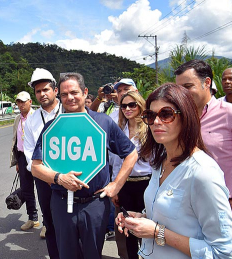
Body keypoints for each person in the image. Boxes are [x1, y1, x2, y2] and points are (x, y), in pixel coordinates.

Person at [117, 83, 232, 258]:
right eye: (150, 115)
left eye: (166, 114)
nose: (156, 122)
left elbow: (223, 252)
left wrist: (158, 232)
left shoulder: (203, 173)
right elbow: (176, 216)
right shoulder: (160, 164)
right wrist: (141, 219)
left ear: (186, 117)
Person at [31, 72, 138, 259]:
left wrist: (116, 184)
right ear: (59, 95)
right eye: (64, 95)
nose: (69, 98)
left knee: (93, 254)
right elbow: (36, 166)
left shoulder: (103, 122)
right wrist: (59, 178)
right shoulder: (51, 127)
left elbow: (131, 153)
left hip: (95, 204)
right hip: (61, 202)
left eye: (74, 92)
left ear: (85, 92)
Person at [175, 60, 232, 253]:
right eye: (179, 88)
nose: (183, 94)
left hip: (222, 210)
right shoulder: (178, 119)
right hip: (184, 208)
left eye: (188, 86)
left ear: (207, 83)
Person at [23, 68, 62, 258]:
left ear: (55, 90)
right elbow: (29, 152)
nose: (42, 94)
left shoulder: (69, 111)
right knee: (50, 220)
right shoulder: (31, 120)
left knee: (72, 220)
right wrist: (43, 174)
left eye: (46, 89)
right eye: (38, 91)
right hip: (43, 180)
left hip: (71, 176)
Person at [115, 91, 151, 259]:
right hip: (125, 184)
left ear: (140, 106)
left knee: (144, 228)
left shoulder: (149, 129)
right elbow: (114, 161)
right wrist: (115, 186)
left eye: (132, 105)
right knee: (128, 228)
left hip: (146, 183)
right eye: (123, 106)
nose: (127, 109)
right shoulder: (119, 130)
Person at [10, 91, 39, 230]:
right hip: (22, 157)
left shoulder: (37, 117)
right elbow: (15, 140)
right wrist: (16, 161)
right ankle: (32, 218)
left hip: (36, 157)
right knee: (27, 189)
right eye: (18, 102)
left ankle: (48, 223)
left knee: (43, 189)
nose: (21, 104)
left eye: (23, 101)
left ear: (30, 102)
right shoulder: (17, 119)